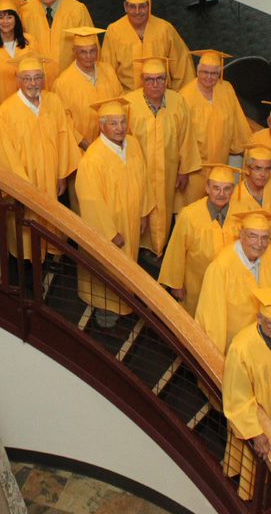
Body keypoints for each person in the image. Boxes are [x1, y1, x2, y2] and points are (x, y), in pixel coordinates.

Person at [73, 98, 155, 329]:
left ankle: (126, 300)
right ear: (102, 126)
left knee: (128, 266)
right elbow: (90, 201)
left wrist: (144, 214)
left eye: (122, 122)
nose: (120, 128)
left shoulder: (133, 144)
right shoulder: (93, 159)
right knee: (106, 270)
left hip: (131, 219)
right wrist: (108, 233)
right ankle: (104, 307)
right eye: (113, 123)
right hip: (111, 227)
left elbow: (144, 178)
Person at [0, 56, 80, 272]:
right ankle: (28, 267)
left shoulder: (54, 102)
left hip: (51, 176)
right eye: (27, 78)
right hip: (26, 181)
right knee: (26, 228)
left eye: (37, 78)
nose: (33, 83)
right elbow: (7, 154)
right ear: (18, 80)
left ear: (43, 79)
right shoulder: (6, 111)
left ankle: (49, 257)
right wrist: (24, 188)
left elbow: (64, 137)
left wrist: (61, 174)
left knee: (51, 221)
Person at [222, 287, 271, 499]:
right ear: (259, 318)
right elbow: (237, 396)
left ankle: (269, 482)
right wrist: (256, 433)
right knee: (252, 459)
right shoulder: (242, 348)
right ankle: (248, 493)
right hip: (258, 419)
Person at [124, 56, 201, 262]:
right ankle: (139, 249)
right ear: (142, 80)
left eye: (160, 79)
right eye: (150, 79)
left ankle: (159, 249)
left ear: (166, 80)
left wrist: (184, 169)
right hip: (138, 171)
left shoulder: (177, 101)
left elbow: (186, 136)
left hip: (168, 170)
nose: (155, 84)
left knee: (164, 207)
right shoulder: (129, 104)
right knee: (139, 209)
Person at [158, 163, 238, 318]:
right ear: (207, 188)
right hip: (196, 282)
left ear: (233, 191)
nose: (221, 193)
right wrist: (176, 284)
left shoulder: (240, 215)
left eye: (227, 188)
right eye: (216, 188)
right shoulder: (189, 214)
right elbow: (177, 250)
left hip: (229, 284)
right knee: (194, 320)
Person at [196, 209, 271, 355]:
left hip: (262, 344)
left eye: (265, 238)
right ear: (241, 236)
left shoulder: (270, 254)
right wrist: (214, 359)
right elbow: (211, 320)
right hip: (232, 348)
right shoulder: (221, 268)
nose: (259, 244)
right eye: (253, 236)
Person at [175, 49, 250, 210]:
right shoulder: (185, 96)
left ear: (220, 74)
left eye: (214, 74)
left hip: (220, 164)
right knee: (192, 209)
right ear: (197, 71)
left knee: (217, 206)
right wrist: (182, 168)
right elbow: (179, 137)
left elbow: (237, 121)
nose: (209, 77)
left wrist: (246, 150)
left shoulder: (226, 89)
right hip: (195, 168)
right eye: (205, 72)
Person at [100, 0, 194, 91]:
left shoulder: (164, 29)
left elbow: (182, 66)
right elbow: (107, 72)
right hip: (128, 98)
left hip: (162, 97)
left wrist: (178, 98)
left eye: (142, 6)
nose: (137, 12)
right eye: (132, 6)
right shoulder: (114, 31)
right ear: (125, 6)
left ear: (149, 6)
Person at [19, 0, 94, 82]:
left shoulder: (77, 9)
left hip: (71, 80)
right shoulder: (24, 9)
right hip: (36, 81)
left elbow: (91, 44)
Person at [53, 26, 124, 153]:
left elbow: (120, 100)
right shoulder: (63, 83)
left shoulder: (108, 71)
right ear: (74, 52)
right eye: (83, 52)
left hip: (112, 145)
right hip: (81, 150)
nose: (89, 56)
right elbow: (64, 121)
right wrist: (88, 146)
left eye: (92, 51)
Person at [229, 144, 271, 217]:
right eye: (258, 168)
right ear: (247, 169)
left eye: (267, 169)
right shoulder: (236, 195)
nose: (263, 174)